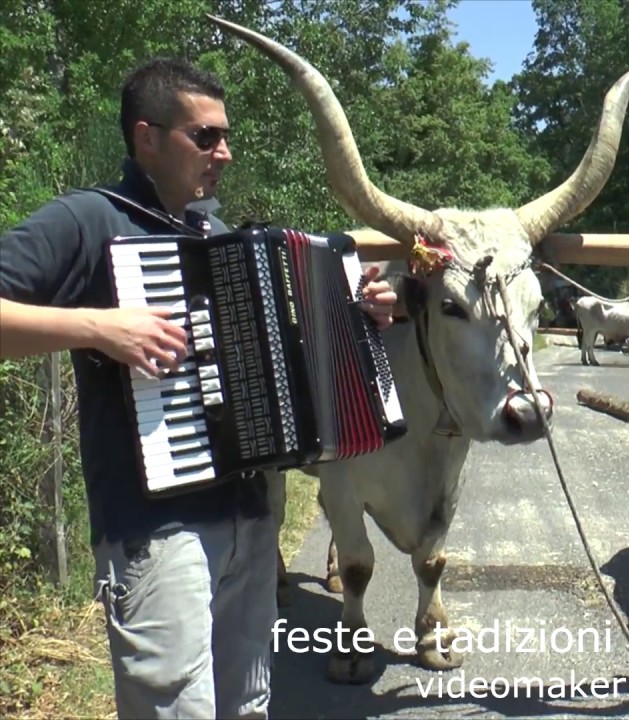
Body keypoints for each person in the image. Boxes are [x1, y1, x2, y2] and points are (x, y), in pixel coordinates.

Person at [0, 58, 397, 719]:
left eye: (225, 135)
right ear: (147, 138)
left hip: (247, 522)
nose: (225, 152)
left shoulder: (214, 238)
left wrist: (357, 312)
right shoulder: (89, 221)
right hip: (158, 530)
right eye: (204, 137)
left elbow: (278, 364)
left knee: (246, 707)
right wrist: (97, 326)